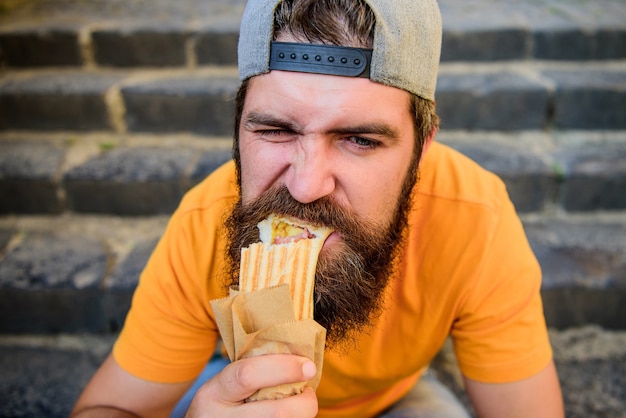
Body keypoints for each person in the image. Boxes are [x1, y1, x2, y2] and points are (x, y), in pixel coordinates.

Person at [71, 0, 565, 417]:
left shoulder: (475, 219)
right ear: (238, 129)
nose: (306, 186)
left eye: (360, 139)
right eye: (275, 130)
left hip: (385, 402)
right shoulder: (205, 221)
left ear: (423, 148)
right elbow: (110, 407)